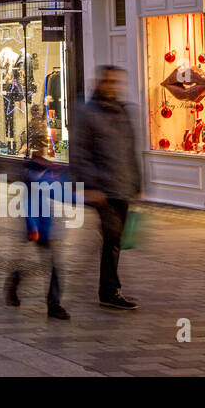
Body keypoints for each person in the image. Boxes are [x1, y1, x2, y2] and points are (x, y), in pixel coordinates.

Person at [69, 65, 141, 310]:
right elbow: (79, 153)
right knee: (112, 237)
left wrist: (137, 183)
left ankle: (104, 284)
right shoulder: (88, 113)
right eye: (108, 82)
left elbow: (130, 150)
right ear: (99, 83)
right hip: (103, 188)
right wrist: (89, 185)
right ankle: (109, 290)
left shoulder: (123, 112)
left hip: (122, 185)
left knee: (115, 238)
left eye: (116, 82)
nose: (112, 86)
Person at [6, 135, 69, 319]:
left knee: (49, 265)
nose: (45, 152)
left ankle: (17, 285)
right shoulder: (33, 174)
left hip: (44, 227)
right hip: (35, 227)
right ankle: (52, 304)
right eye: (41, 149)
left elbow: (61, 192)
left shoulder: (43, 171)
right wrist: (32, 228)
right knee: (48, 265)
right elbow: (27, 205)